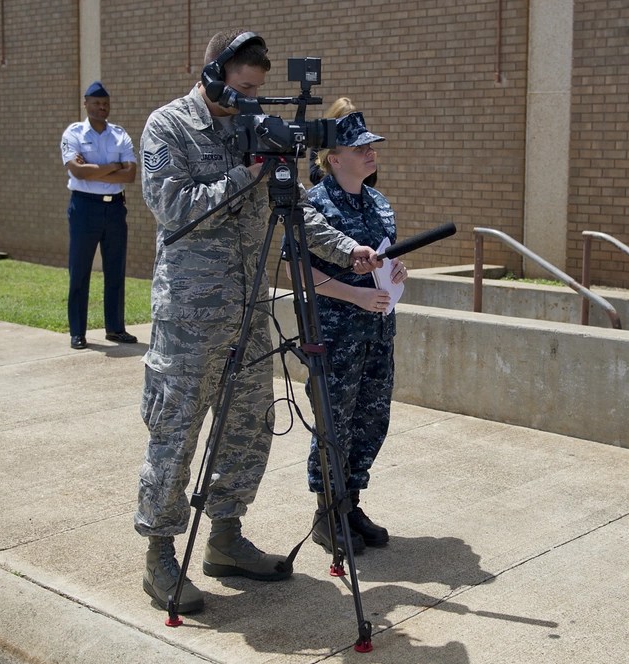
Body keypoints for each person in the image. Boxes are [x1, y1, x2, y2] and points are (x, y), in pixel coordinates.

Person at [135, 29, 380, 614]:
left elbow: (291, 208)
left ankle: (225, 539)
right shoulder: (167, 126)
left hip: (249, 314)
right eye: (241, 90)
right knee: (177, 433)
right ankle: (161, 555)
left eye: (256, 93)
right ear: (214, 73)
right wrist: (248, 170)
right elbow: (172, 207)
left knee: (246, 429)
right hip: (190, 317)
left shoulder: (253, 132)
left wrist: (349, 249)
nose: (249, 103)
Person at [296, 112, 406, 554]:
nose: (370, 152)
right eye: (360, 148)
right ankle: (327, 512)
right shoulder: (313, 205)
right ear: (333, 158)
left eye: (370, 146)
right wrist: (353, 296)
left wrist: (397, 271)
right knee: (333, 422)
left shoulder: (379, 204)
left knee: (370, 420)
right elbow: (296, 271)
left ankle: (351, 503)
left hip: (378, 331)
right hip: (335, 333)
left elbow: (385, 258)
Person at [60, 81, 138, 350]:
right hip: (84, 208)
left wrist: (97, 168)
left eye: (105, 103)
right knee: (79, 271)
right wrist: (114, 166)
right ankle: (77, 332)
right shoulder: (74, 134)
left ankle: (115, 329)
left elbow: (130, 175)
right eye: (96, 103)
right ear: (86, 104)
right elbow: (77, 172)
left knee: (115, 270)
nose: (101, 107)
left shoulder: (120, 134)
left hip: (115, 208)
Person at [308, 97, 378, 188]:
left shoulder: (376, 199)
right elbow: (314, 175)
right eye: (358, 149)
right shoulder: (321, 141)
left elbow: (371, 178)